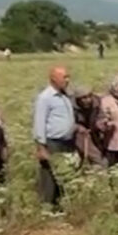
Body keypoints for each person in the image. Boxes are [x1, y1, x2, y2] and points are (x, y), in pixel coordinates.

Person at [33, 66, 76, 205]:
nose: (67, 80)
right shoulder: (45, 98)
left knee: (66, 173)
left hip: (67, 141)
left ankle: (61, 202)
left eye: (68, 77)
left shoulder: (64, 95)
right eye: (64, 77)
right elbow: (39, 122)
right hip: (53, 142)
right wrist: (41, 147)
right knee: (50, 175)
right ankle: (47, 204)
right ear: (53, 79)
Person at [72, 86, 108, 167]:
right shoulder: (71, 107)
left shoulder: (97, 103)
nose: (88, 100)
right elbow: (67, 122)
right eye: (84, 98)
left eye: (89, 96)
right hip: (78, 135)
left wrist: (100, 122)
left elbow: (101, 115)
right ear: (78, 99)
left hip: (94, 133)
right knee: (95, 157)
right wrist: (78, 127)